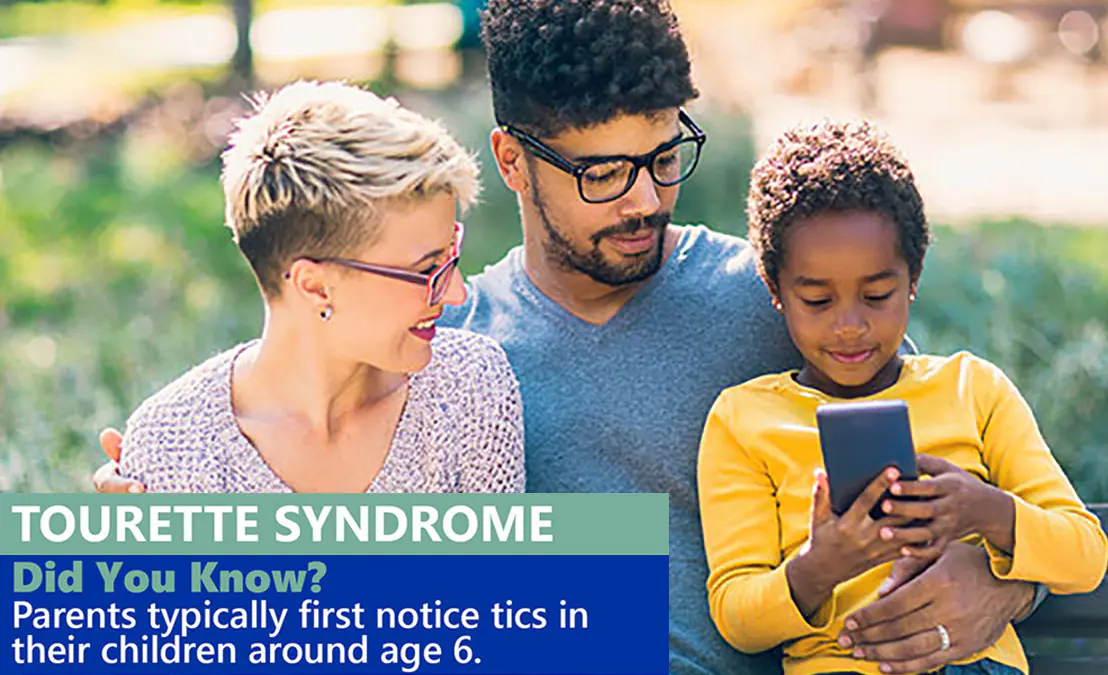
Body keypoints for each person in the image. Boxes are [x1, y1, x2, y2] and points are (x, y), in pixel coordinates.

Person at [94, 2, 1045, 673]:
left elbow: (971, 455)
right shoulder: (441, 350)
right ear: (512, 160)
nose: (645, 199)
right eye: (602, 174)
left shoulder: (778, 301)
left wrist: (1004, 582)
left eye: (663, 157)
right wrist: (165, 557)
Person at [697, 120, 1108, 675]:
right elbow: (736, 617)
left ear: (912, 279)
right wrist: (819, 568)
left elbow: (1085, 555)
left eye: (877, 295)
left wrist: (986, 510)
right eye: (817, 300)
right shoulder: (744, 420)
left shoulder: (974, 389)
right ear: (776, 291)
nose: (849, 325)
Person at [115, 80, 524, 494]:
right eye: (427, 270)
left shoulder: (468, 388)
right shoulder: (173, 449)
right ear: (315, 287)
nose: (456, 294)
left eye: (451, 254)